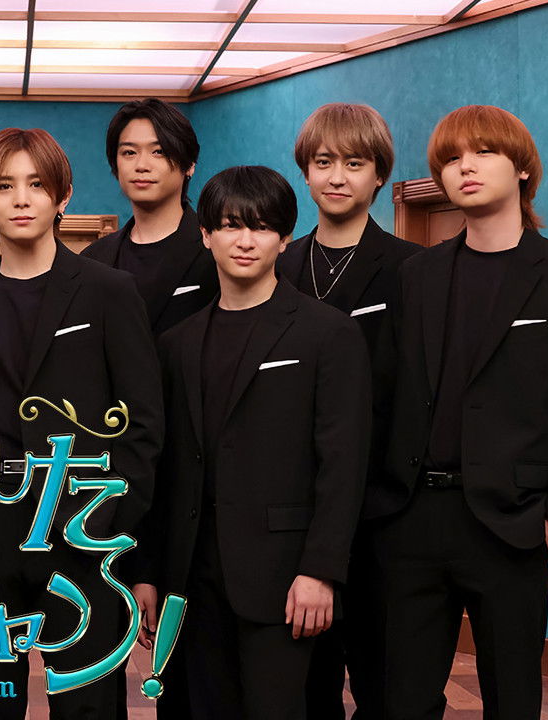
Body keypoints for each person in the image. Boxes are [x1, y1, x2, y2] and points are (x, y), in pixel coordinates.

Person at [368, 105, 548, 719]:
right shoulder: (415, 275)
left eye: (483, 153)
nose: (465, 167)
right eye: (450, 159)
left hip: (512, 524)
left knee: (512, 701)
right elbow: (387, 397)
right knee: (402, 703)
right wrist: (382, 507)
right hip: (412, 520)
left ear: (522, 168)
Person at [0, 127, 162, 719]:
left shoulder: (109, 292)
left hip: (78, 531)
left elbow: (143, 424)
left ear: (62, 197)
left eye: (36, 185)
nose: (21, 199)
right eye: (5, 186)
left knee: (88, 707)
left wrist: (102, 522)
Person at [132, 165, 371, 719]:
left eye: (262, 227)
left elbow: (343, 463)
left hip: (285, 579)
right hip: (188, 580)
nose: (245, 240)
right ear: (206, 235)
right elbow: (161, 467)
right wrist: (146, 571)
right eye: (231, 225)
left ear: (285, 238)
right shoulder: (175, 344)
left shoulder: (328, 333)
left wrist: (321, 570)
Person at [279, 102, 420, 719]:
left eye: (355, 164)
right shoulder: (278, 265)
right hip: (292, 511)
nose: (337, 177)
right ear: (306, 172)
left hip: (383, 513)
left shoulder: (412, 269)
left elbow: (420, 393)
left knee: (387, 688)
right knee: (305, 690)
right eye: (324, 162)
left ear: (379, 174)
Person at [82, 98, 217, 335]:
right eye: (129, 152)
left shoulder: (218, 250)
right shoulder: (93, 259)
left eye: (158, 151)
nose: (141, 165)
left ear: (190, 165)